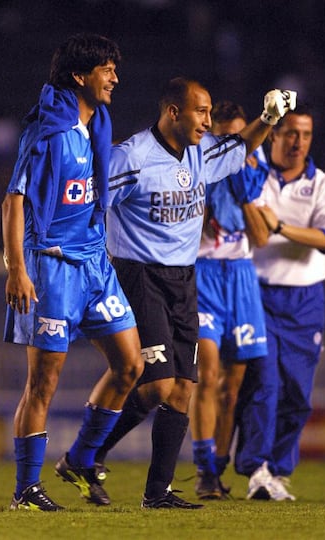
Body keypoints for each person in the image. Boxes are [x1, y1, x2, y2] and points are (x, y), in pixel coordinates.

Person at [70, 79, 296, 510]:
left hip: (184, 280)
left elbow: (239, 145)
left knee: (181, 390)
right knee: (157, 388)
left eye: (210, 113)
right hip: (140, 276)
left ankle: (155, 492)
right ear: (173, 112)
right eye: (201, 112)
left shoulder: (201, 154)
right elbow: (89, 203)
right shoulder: (131, 156)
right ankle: (86, 455)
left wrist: (268, 119)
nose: (208, 121)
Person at [2, 32, 144, 512]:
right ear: (80, 76)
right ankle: (26, 489)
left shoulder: (96, 123)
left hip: (94, 263)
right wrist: (17, 269)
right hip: (52, 266)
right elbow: (13, 199)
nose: (115, 78)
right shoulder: (45, 130)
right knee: (43, 382)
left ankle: (81, 458)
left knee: (131, 364)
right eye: (106, 69)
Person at [234, 103, 325, 501]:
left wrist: (279, 226)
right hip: (256, 293)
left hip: (305, 299)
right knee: (264, 386)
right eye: (291, 132)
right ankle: (255, 467)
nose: (298, 142)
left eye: (306, 135)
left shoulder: (321, 184)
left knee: (298, 397)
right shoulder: (254, 171)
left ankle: (277, 470)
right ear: (274, 134)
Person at [188, 100, 270, 501]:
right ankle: (203, 469)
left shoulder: (255, 167)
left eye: (245, 139)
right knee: (207, 375)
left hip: (241, 276)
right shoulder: (198, 164)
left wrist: (245, 182)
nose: (238, 147)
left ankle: (217, 467)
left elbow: (261, 232)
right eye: (228, 138)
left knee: (232, 386)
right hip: (203, 274)